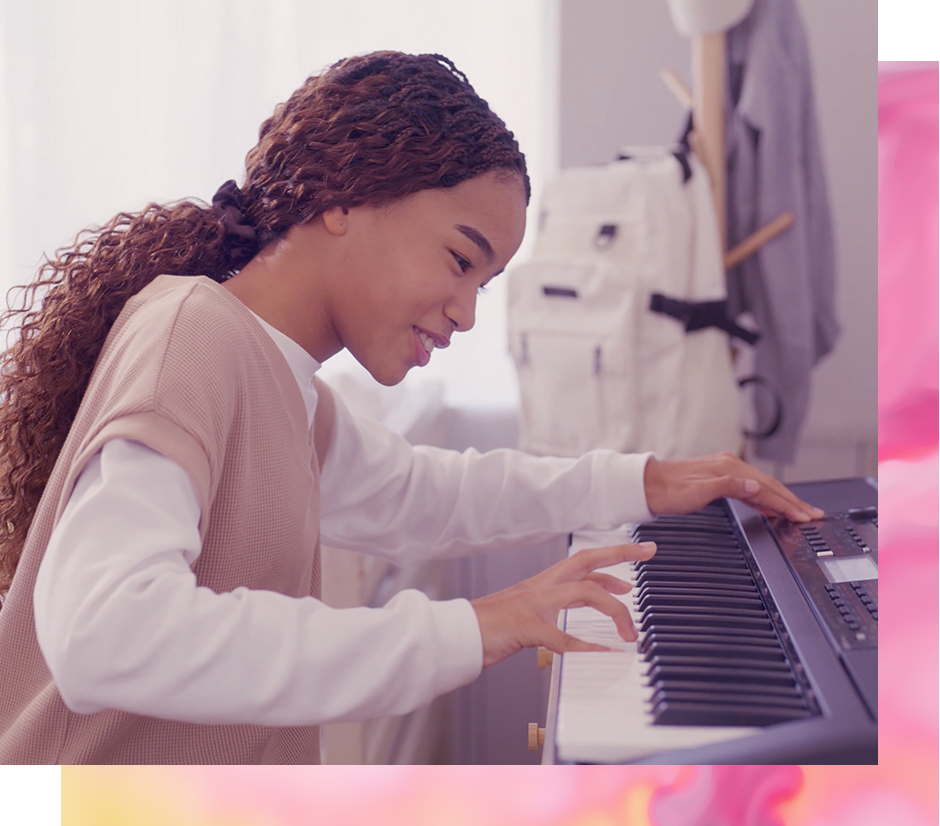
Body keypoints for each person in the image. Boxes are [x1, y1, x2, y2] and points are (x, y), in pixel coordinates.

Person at [0, 51, 823, 764]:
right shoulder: (194, 334)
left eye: (485, 283)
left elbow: (418, 495)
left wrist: (641, 481)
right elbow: (102, 632)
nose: (467, 312)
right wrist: (477, 623)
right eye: (461, 259)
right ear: (345, 198)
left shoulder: (288, 386)